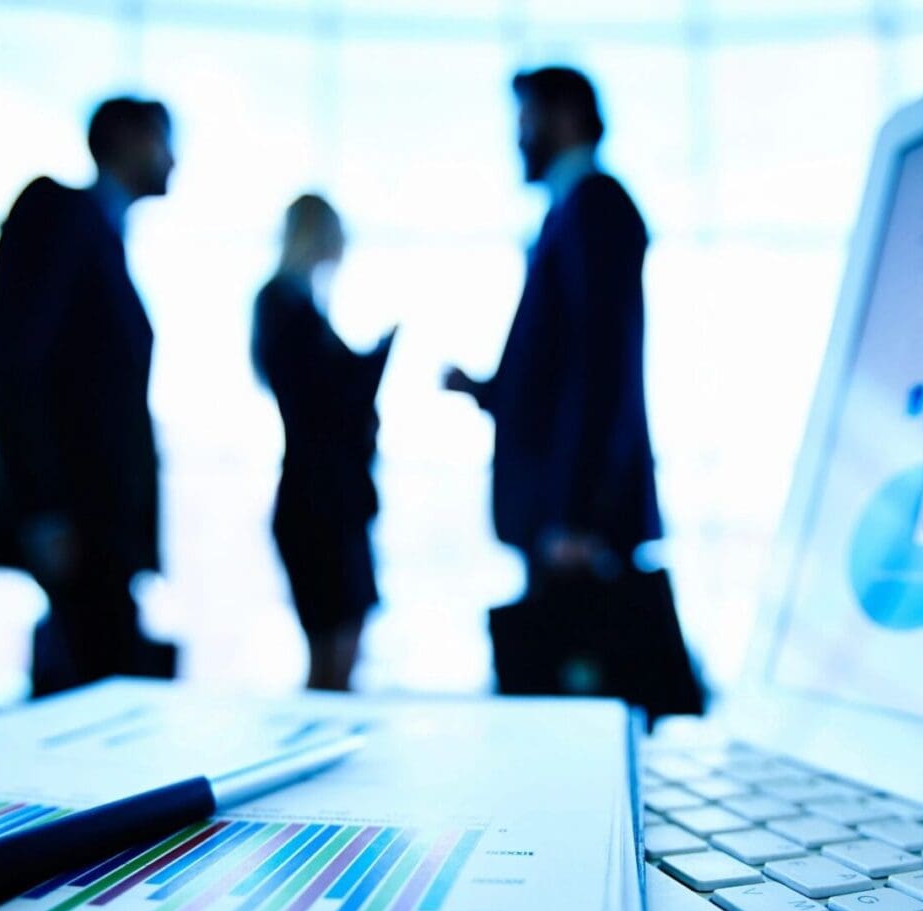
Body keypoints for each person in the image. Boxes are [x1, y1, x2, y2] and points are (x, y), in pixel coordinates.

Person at [0, 96, 178, 698]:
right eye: (163, 138)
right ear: (125, 138)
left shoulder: (102, 235)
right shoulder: (58, 212)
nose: (174, 157)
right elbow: (10, 362)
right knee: (95, 696)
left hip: (100, 531)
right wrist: (44, 510)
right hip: (77, 526)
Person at [444, 66, 661, 592]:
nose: (519, 138)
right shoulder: (568, 211)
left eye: (527, 120)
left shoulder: (595, 206)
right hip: (563, 516)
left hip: (579, 529)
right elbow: (561, 367)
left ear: (564, 118)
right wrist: (488, 389)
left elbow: (604, 365)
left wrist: (579, 513)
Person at [252, 195, 394, 692]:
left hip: (331, 500)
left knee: (341, 649)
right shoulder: (281, 304)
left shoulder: (297, 305)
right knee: (330, 657)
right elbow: (316, 397)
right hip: (317, 505)